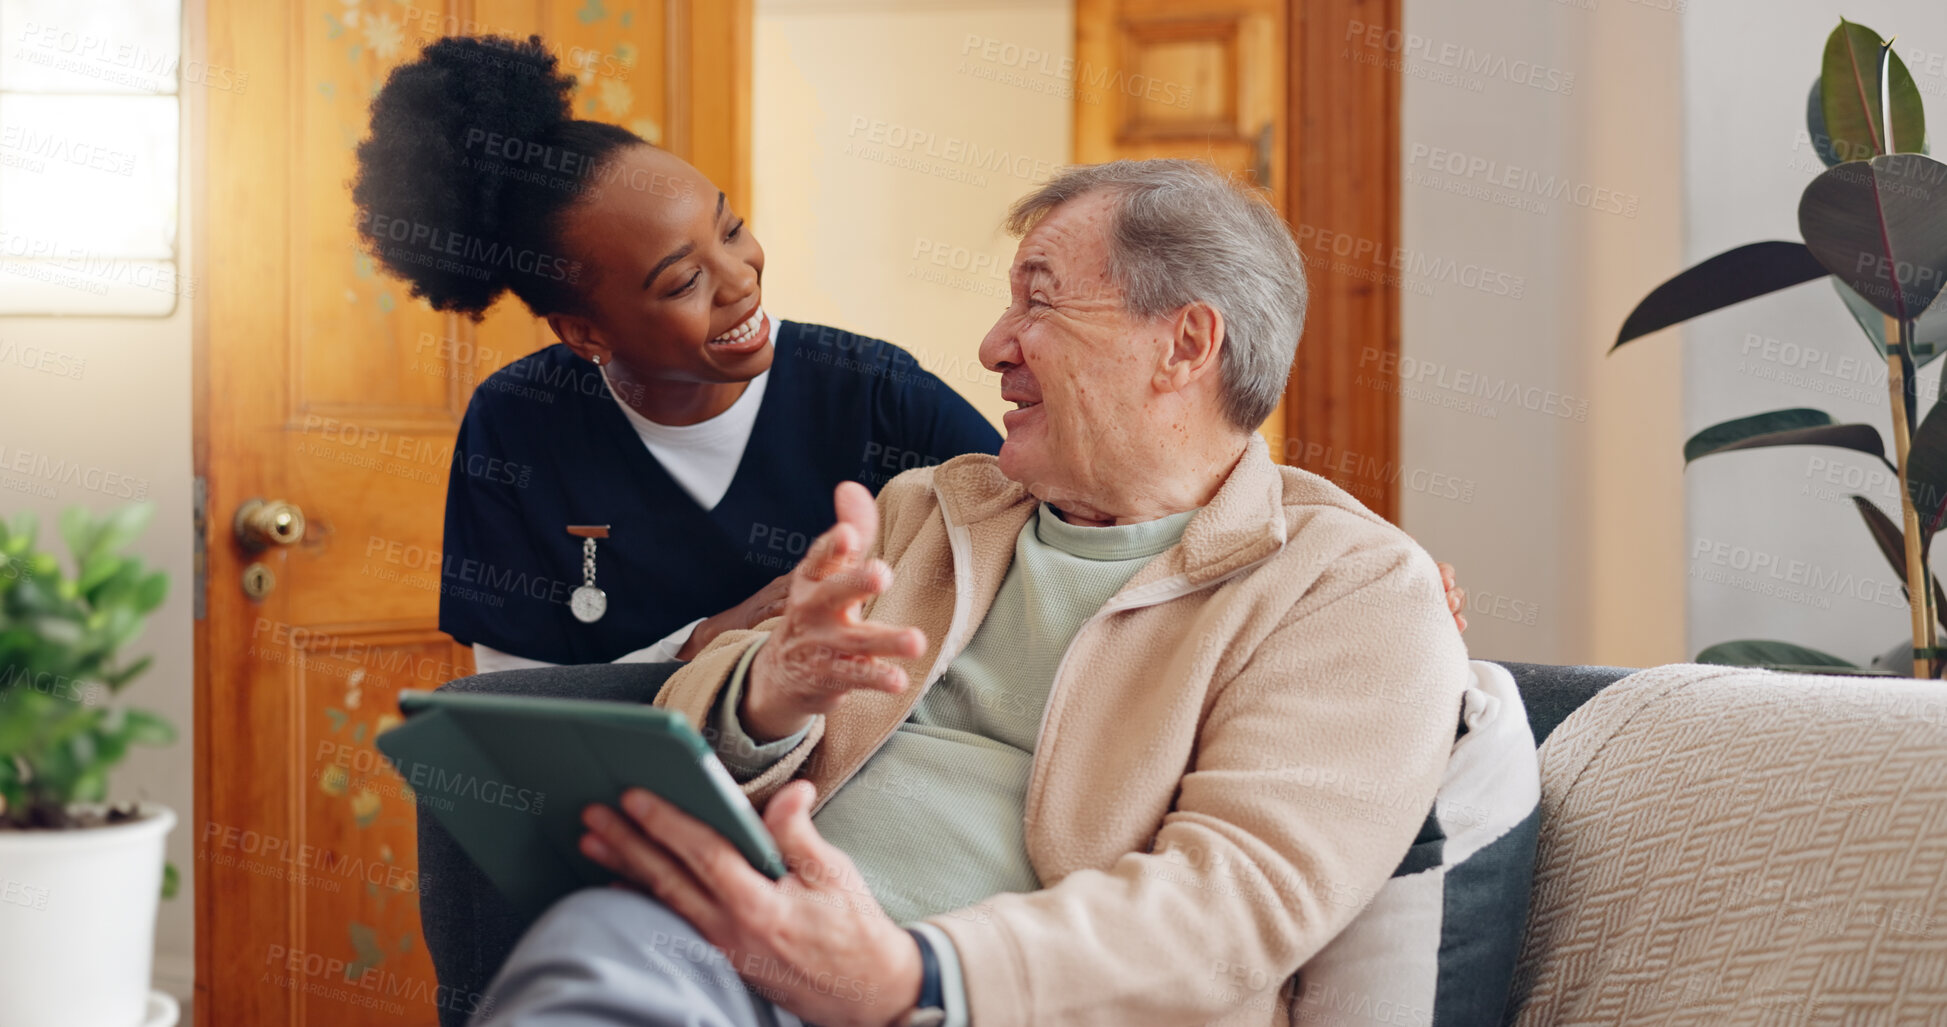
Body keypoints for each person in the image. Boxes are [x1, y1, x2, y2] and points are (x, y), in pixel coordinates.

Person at [470, 159, 1476, 1027]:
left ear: (1185, 344)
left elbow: (1234, 904)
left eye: (1038, 301)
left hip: (987, 999)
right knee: (598, 945)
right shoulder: (929, 507)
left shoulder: (1348, 588)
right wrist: (770, 685)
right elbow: (685, 720)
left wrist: (914, 975)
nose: (995, 344)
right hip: (745, 955)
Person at [350, 34, 1001, 673]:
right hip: (616, 780)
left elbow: (1042, 540)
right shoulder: (516, 421)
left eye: (731, 227)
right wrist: (707, 640)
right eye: (684, 281)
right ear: (584, 334)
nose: (742, 279)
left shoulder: (873, 391)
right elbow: (518, 706)